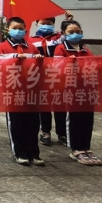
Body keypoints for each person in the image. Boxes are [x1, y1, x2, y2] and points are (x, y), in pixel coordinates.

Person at [0, 17, 45, 166]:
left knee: (33, 123)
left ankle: (34, 153)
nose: (18, 31)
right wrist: (15, 58)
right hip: (13, 90)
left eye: (21, 28)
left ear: (25, 30)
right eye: (14, 28)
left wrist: (39, 58)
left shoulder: (31, 47)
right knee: (16, 123)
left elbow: (40, 67)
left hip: (31, 90)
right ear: (8, 30)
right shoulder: (3, 46)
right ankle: (19, 152)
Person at [54, 20, 102, 166]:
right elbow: (56, 67)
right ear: (64, 33)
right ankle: (76, 149)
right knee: (74, 118)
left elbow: (93, 65)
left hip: (86, 89)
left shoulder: (85, 49)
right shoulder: (60, 49)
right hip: (70, 89)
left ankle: (86, 147)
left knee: (87, 118)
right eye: (71, 32)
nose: (75, 34)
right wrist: (68, 62)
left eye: (78, 32)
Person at [30, 11, 73, 146]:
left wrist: (68, 21)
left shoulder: (59, 38)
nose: (46, 26)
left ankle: (62, 134)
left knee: (60, 106)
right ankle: (45, 132)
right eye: (43, 23)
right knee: (44, 106)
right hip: (40, 77)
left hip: (58, 76)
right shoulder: (31, 40)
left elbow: (70, 35)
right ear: (37, 23)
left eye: (49, 23)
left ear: (53, 25)